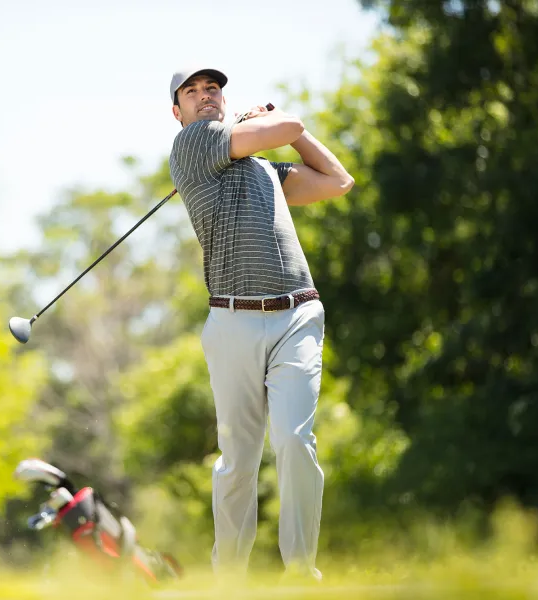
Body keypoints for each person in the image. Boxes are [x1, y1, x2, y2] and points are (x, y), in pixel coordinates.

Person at [167, 67, 354, 580]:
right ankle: (229, 579)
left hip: (297, 313)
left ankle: (300, 571)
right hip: (233, 322)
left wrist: (285, 128)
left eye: (214, 90)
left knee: (295, 441)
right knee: (238, 461)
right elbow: (287, 127)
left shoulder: (265, 170)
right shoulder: (192, 145)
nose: (206, 97)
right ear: (177, 111)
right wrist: (272, 119)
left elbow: (339, 181)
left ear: (223, 100)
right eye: (193, 92)